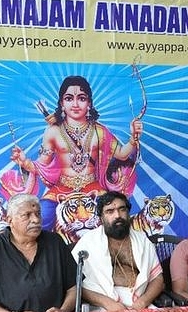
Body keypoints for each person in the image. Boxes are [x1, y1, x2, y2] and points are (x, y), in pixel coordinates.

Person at [9, 75, 142, 231]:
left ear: (89, 103)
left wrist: (133, 138)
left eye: (81, 98)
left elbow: (121, 154)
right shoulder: (53, 132)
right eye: (69, 98)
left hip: (93, 187)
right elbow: (42, 164)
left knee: (114, 218)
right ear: (61, 104)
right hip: (61, 188)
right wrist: (25, 162)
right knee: (43, 216)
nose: (75, 104)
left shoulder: (99, 131)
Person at [0, 194, 77, 312]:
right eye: (27, 215)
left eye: (38, 213)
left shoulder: (55, 242)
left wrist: (62, 311)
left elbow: (73, 288)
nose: (36, 220)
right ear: (9, 220)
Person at [71, 191, 164, 311]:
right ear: (101, 218)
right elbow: (74, 284)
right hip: (101, 307)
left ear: (128, 212)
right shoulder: (88, 242)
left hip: (140, 305)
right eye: (110, 211)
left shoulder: (142, 241)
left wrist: (143, 301)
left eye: (122, 209)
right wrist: (107, 303)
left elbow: (157, 279)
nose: (117, 215)